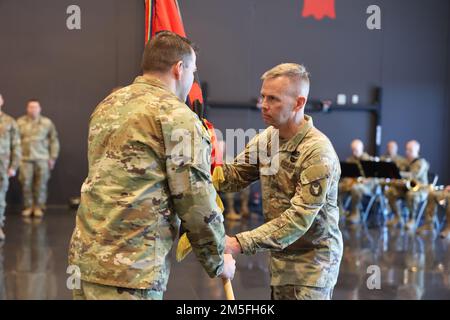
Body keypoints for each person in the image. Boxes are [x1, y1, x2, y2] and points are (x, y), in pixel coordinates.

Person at [68, 31, 235, 300]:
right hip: (131, 269)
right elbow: (195, 201)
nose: (193, 79)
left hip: (86, 259)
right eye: (193, 70)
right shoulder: (177, 117)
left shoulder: (108, 105)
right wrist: (218, 261)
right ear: (179, 69)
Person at [219, 63, 342, 300]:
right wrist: (203, 169)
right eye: (263, 96)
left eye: (273, 99)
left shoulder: (317, 153)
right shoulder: (268, 139)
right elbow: (233, 177)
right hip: (280, 261)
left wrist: (238, 243)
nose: (263, 105)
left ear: (298, 103)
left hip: (312, 266)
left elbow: (298, 220)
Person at [17, 99, 59, 218]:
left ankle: (39, 207)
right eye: (31, 107)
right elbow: (15, 141)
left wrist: (53, 157)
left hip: (42, 158)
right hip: (25, 158)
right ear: (27, 108)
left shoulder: (47, 123)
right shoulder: (20, 122)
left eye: (35, 107)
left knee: (41, 184)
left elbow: (53, 140)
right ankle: (28, 206)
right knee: (26, 183)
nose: (33, 109)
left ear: (40, 108)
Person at [385, 140, 429, 229]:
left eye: (410, 150)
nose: (407, 152)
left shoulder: (421, 162)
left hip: (420, 190)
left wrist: (398, 173)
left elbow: (413, 175)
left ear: (417, 150)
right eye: (406, 150)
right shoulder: (405, 161)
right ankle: (398, 217)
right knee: (390, 192)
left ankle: (411, 220)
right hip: (406, 188)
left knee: (411, 195)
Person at [0, 93, 21, 240]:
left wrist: (14, 166)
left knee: (0, 197)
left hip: (2, 165)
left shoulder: (10, 122)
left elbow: (16, 146)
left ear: (2, 101)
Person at [339, 139, 375, 224]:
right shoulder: (350, 159)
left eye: (356, 150)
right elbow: (346, 176)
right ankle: (340, 211)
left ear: (362, 149)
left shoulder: (368, 160)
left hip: (366, 187)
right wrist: (348, 181)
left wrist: (365, 180)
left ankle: (355, 213)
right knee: (337, 187)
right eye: (353, 150)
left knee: (356, 188)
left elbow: (374, 178)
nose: (354, 152)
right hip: (352, 184)